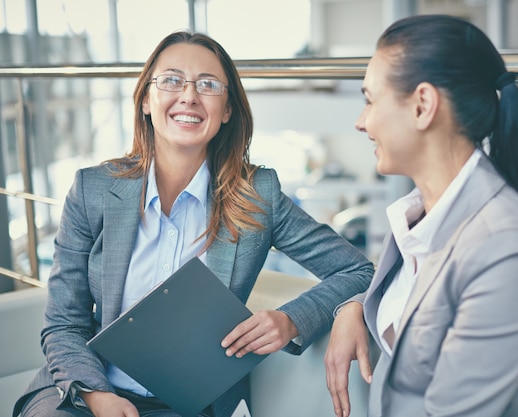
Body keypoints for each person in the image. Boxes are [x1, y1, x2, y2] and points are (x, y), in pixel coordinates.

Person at [13, 30, 374, 417]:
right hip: (83, 394)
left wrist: (292, 319)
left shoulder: (258, 196)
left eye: (208, 84)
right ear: (147, 100)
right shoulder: (93, 190)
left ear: (228, 110)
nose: (188, 95)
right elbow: (63, 324)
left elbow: (358, 269)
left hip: (186, 406)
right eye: (171, 80)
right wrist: (98, 396)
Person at [324, 14, 518, 417]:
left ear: (423, 105)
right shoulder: (421, 214)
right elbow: (418, 306)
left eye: (370, 99)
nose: (362, 121)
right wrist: (355, 306)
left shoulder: (507, 251)